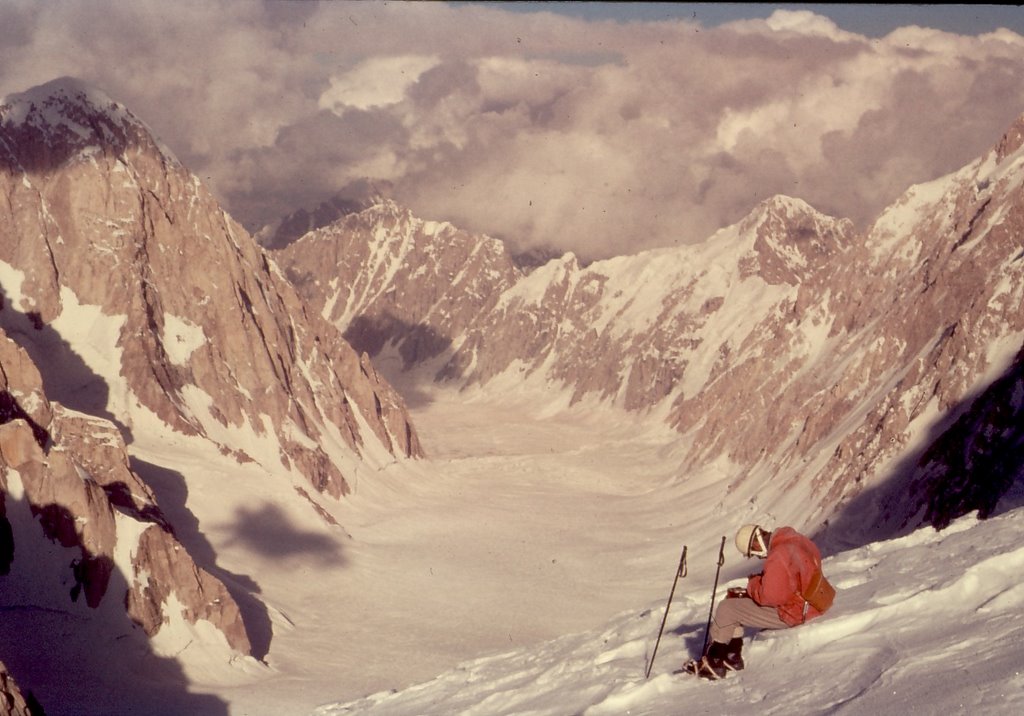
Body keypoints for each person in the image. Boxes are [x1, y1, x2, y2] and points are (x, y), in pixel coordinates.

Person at [692, 523, 835, 680]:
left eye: (753, 553)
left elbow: (771, 597)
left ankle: (714, 661)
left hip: (794, 612)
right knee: (736, 604)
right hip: (811, 603)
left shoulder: (779, 554)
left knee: (727, 608)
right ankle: (732, 657)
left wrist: (753, 584)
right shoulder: (797, 540)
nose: (758, 557)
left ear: (755, 543)